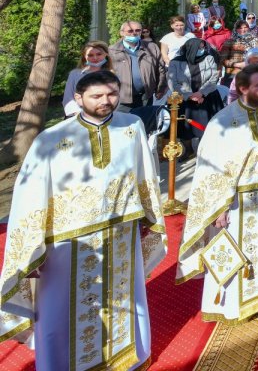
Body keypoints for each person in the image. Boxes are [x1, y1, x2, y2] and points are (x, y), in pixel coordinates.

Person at [0, 71, 165, 369]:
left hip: (121, 233)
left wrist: (150, 219)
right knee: (61, 310)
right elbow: (32, 195)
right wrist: (31, 252)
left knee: (126, 301)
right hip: (67, 242)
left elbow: (145, 174)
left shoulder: (132, 126)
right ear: (78, 98)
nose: (106, 101)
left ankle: (126, 359)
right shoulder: (51, 139)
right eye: (97, 96)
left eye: (112, 94)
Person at [177, 65, 258, 319]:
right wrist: (219, 206)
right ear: (243, 89)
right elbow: (211, 169)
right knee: (241, 249)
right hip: (238, 200)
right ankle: (237, 304)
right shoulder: (223, 121)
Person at [109, 20, 165, 112]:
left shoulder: (151, 47)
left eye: (138, 30)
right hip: (122, 99)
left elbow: (160, 69)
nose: (134, 33)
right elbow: (107, 73)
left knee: (143, 123)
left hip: (145, 97)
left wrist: (160, 88)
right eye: (130, 31)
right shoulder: (112, 50)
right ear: (121, 33)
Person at [62, 40, 112, 115]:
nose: (95, 58)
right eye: (90, 55)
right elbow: (68, 98)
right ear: (84, 57)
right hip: (79, 116)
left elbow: (116, 98)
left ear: (106, 54)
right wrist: (79, 115)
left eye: (99, 54)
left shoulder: (112, 75)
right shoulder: (75, 74)